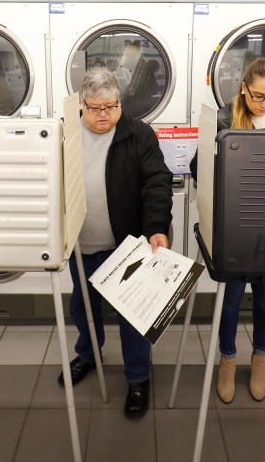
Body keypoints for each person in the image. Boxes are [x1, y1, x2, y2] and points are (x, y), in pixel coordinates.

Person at [58, 68, 173, 419]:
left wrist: (156, 226)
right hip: (82, 245)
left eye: (112, 105)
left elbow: (157, 182)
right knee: (83, 307)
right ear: (81, 104)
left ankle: (138, 378)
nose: (105, 114)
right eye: (96, 107)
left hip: (127, 246)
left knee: (132, 316)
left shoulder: (138, 134)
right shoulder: (64, 133)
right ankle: (89, 355)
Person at [188, 58, 265, 403]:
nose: (264, 103)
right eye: (258, 96)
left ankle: (260, 358)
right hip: (234, 225)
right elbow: (198, 168)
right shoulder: (223, 119)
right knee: (231, 297)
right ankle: (228, 359)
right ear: (243, 88)